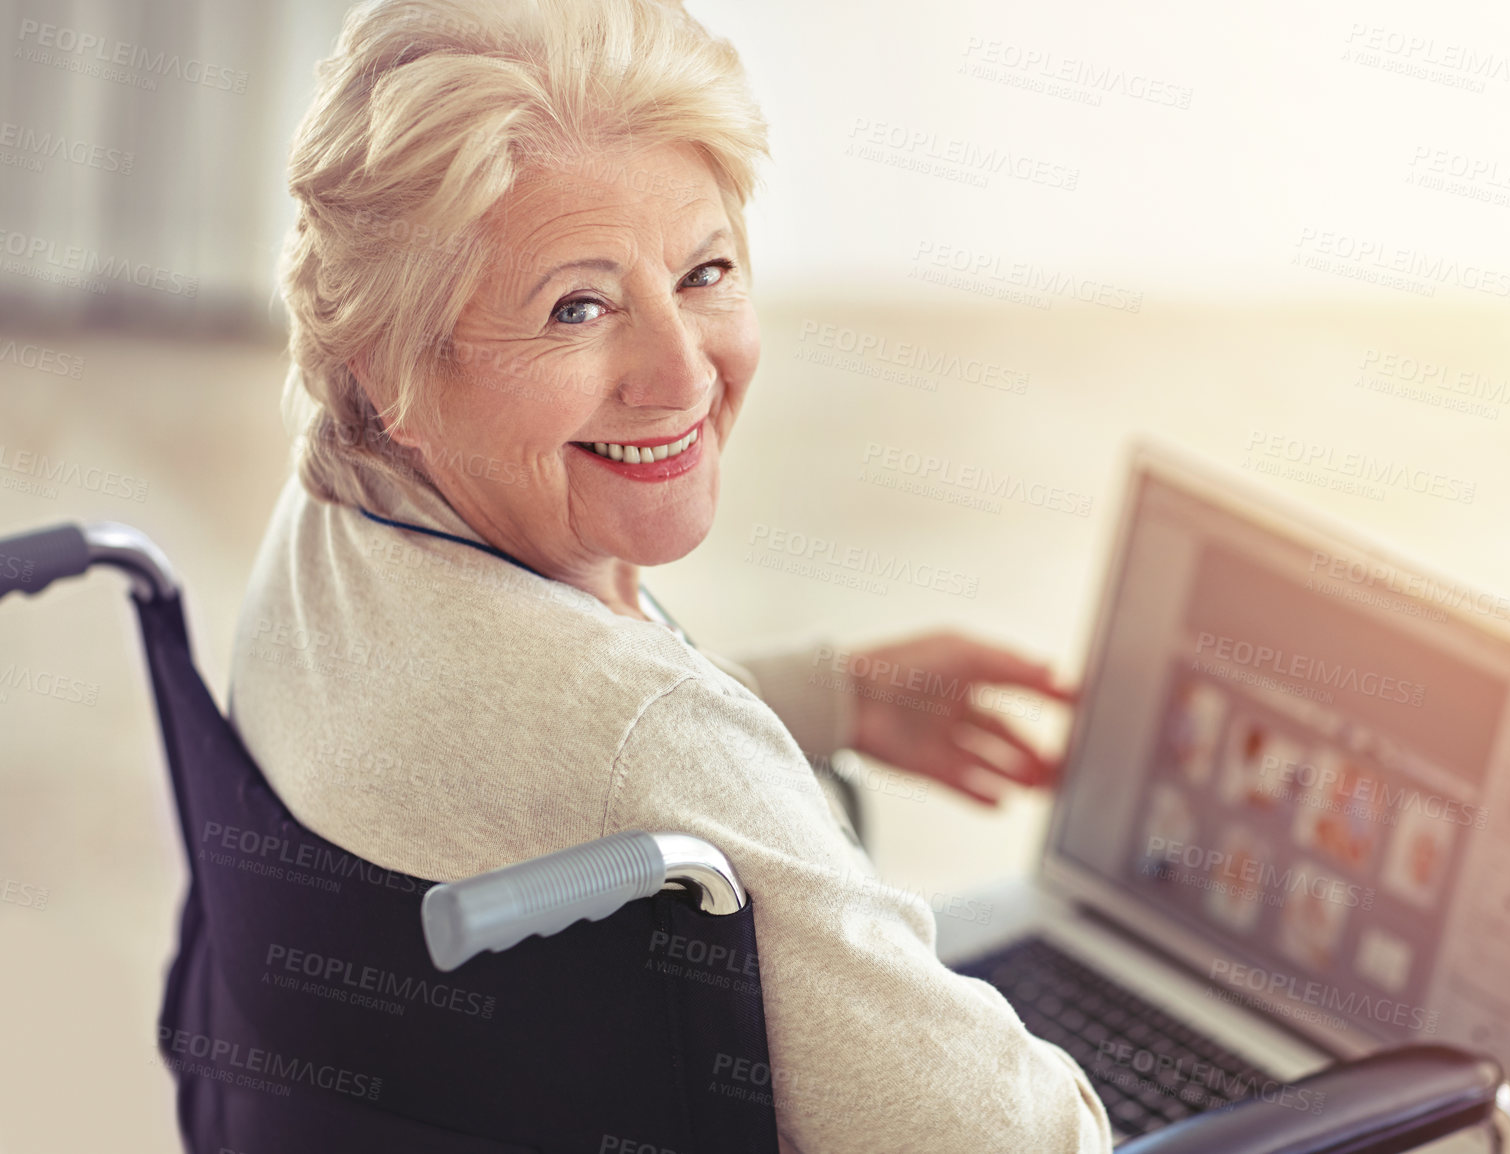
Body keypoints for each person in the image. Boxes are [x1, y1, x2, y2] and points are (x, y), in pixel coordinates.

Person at [233, 0, 1113, 1148]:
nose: (679, 373)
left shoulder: (333, 513)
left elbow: (531, 745)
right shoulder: (653, 742)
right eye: (578, 305)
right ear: (390, 364)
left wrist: (821, 694)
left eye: (704, 272)